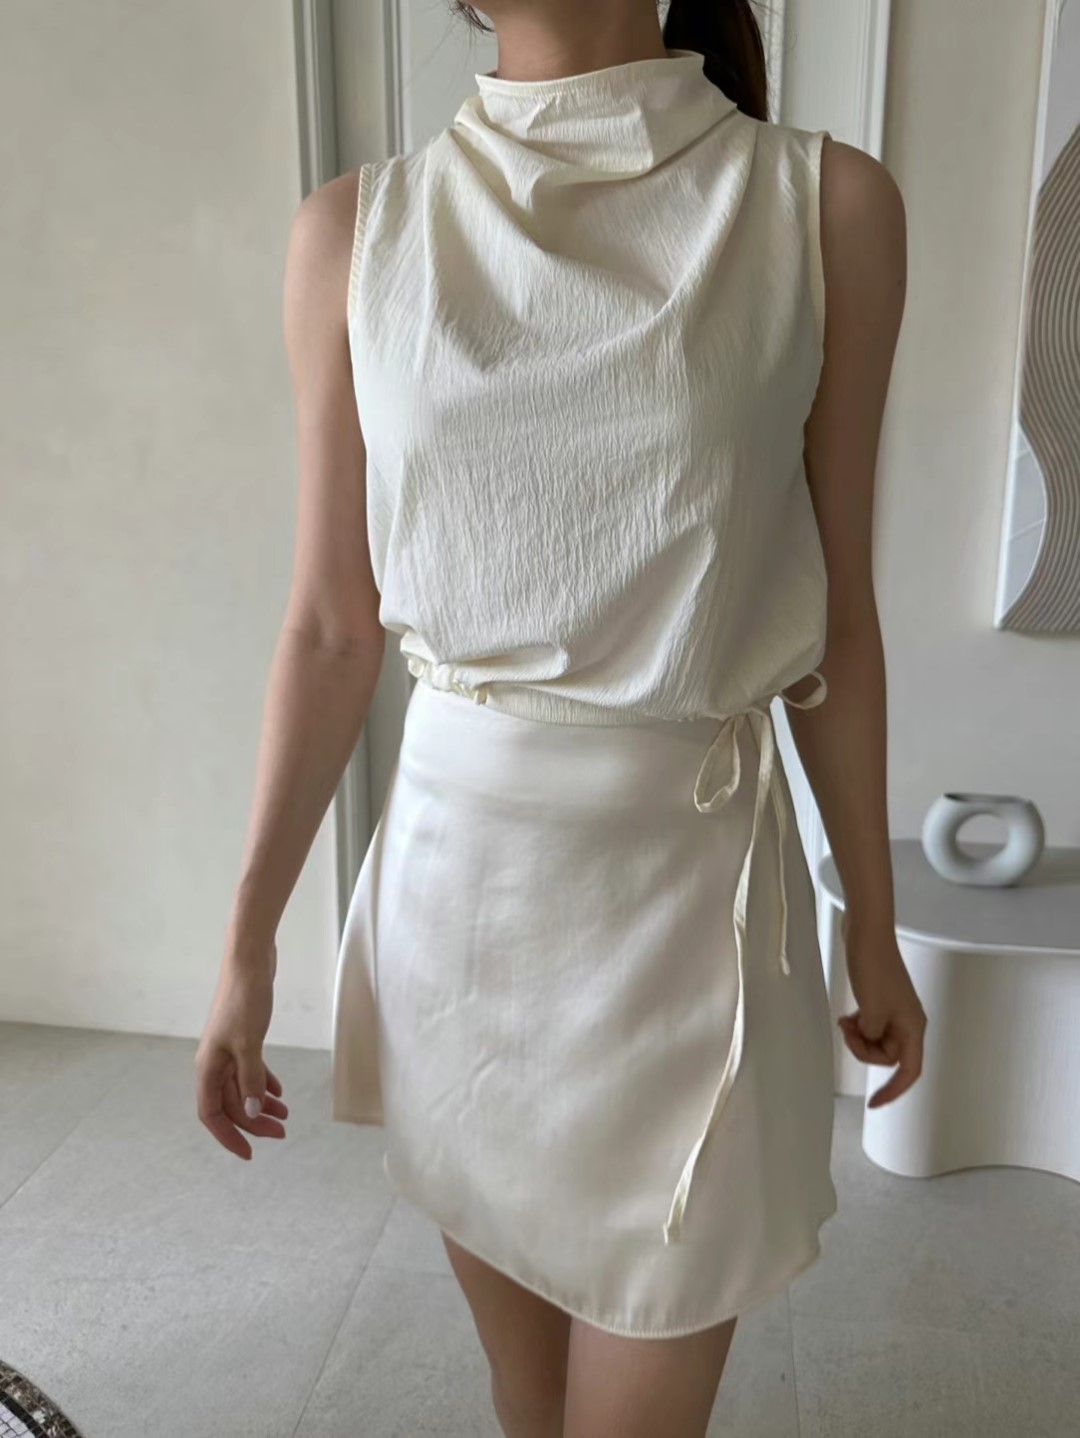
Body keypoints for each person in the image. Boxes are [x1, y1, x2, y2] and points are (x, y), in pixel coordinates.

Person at [195, 1, 927, 1433]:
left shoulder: (824, 209)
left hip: (691, 912)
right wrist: (246, 945)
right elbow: (333, 624)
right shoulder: (355, 234)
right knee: (526, 1402)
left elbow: (838, 621)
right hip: (462, 913)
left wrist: (874, 921)